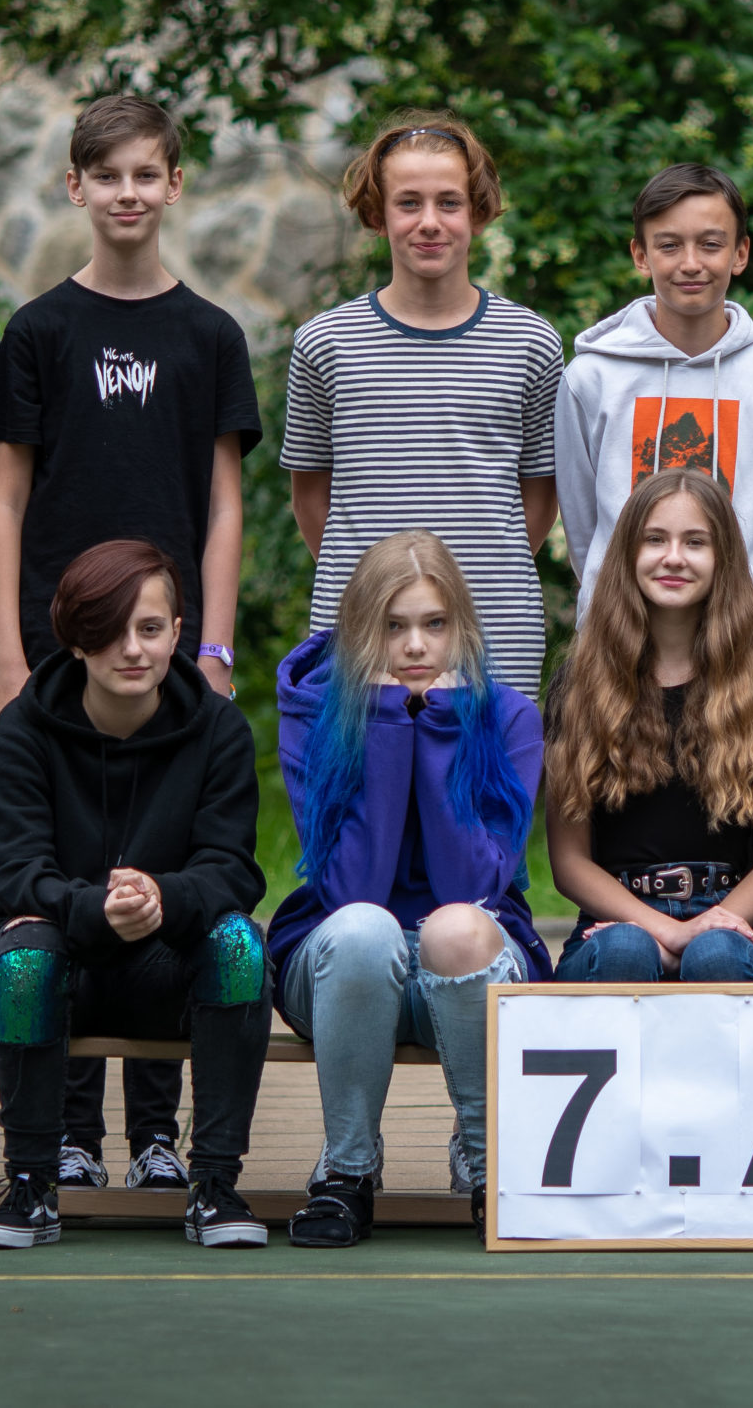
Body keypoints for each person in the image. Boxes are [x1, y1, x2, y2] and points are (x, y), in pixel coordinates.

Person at [0, 93, 263, 1197]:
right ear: (76, 186)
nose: (128, 192)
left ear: (175, 185)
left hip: (169, 649)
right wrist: (8, 656)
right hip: (65, 652)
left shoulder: (209, 335)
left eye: (148, 173)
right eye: (108, 175)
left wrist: (214, 644)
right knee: (70, 868)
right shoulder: (41, 331)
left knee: (165, 865)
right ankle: (67, 1132)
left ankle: (156, 1133)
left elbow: (224, 504)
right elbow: (6, 500)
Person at [0, 541, 271, 1250]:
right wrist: (94, 908)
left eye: (150, 628)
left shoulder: (219, 728)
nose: (132, 649)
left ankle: (215, 1184)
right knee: (26, 956)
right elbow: (13, 873)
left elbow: (232, 869)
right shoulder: (23, 728)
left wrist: (161, 896)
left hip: (162, 961)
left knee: (239, 943)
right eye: (108, 631)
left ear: (177, 633)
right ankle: (31, 1186)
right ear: (74, 638)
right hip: (54, 949)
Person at [265, 532, 551, 1247]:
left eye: (434, 623)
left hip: (470, 963)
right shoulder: (316, 715)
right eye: (393, 626)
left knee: (454, 926)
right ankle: (347, 1171)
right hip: (344, 969)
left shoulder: (511, 718)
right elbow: (349, 886)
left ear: (462, 627)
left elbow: (474, 886)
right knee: (368, 926)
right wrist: (390, 719)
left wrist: (444, 728)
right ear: (362, 631)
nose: (416, 645)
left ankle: (489, 1167)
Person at [282, 111, 564, 694]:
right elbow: (311, 497)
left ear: (477, 213)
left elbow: (539, 496)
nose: (429, 222)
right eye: (408, 203)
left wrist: (474, 578)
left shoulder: (530, 342)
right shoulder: (325, 343)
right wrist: (375, 586)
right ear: (377, 215)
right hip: (363, 637)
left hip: (495, 633)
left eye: (449, 203)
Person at [546, 468, 753, 984]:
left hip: (732, 916)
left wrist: (706, 928)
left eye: (695, 542)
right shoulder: (580, 685)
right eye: (654, 540)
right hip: (614, 918)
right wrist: (666, 931)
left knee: (716, 955)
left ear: (723, 558)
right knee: (625, 950)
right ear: (627, 553)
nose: (673, 557)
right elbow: (569, 862)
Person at [556, 163, 753, 646]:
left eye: (711, 244)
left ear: (740, 253)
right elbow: (583, 526)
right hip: (618, 648)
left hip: (740, 651)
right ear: (641, 255)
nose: (691, 263)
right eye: (669, 245)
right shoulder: (591, 379)